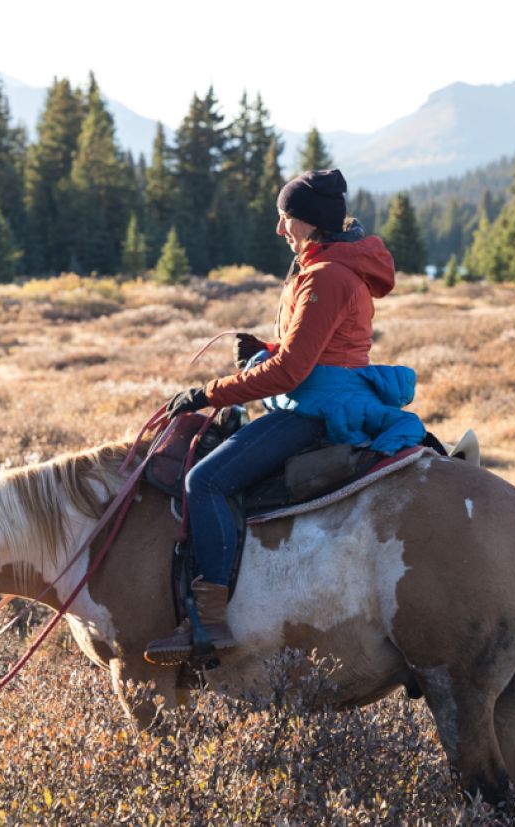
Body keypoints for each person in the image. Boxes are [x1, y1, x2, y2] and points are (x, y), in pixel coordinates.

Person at [144, 169, 426, 666]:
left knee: (205, 482)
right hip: (326, 391)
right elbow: (316, 350)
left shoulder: (327, 276)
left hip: (315, 409)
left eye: (285, 218)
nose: (280, 230)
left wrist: (207, 394)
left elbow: (292, 371)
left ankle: (208, 621)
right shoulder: (331, 266)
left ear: (311, 223)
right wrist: (266, 347)